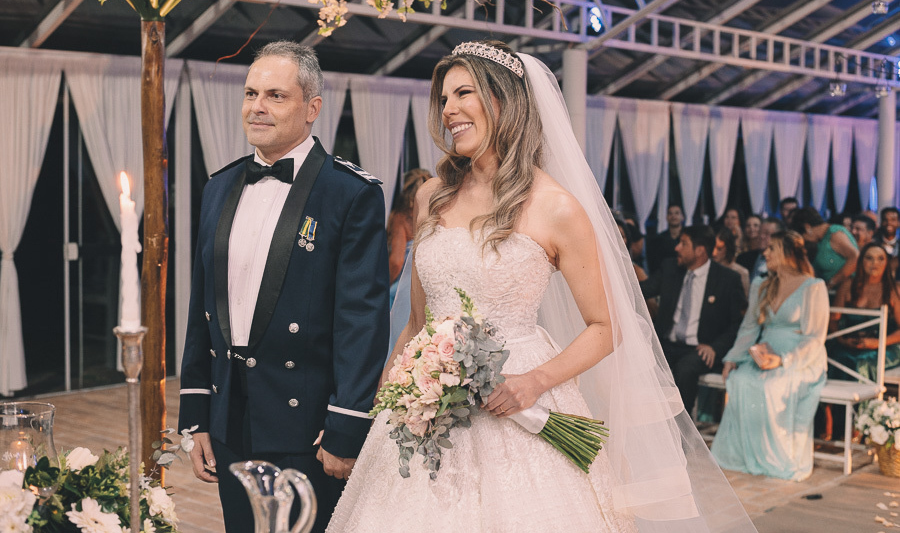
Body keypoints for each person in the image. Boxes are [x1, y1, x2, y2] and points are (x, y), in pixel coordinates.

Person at [328, 41, 756, 532]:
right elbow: (417, 323)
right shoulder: (431, 196)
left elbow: (607, 325)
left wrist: (534, 381)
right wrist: (387, 398)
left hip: (520, 398)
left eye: (464, 93)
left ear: (505, 101)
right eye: (443, 99)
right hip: (426, 405)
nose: (448, 110)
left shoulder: (556, 207)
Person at [178, 41, 390, 533]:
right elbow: (201, 309)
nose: (257, 106)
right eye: (251, 93)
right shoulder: (218, 186)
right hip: (230, 419)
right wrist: (197, 416)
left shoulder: (350, 193)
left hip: (308, 428)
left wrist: (346, 426)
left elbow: (361, 320)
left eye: (276, 95)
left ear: (312, 108)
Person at [712, 231, 828, 481]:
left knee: (772, 386)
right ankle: (745, 455)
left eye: (771, 248)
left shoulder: (813, 287)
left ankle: (776, 458)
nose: (765, 253)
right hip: (765, 352)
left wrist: (785, 360)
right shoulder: (761, 284)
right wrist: (733, 357)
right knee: (741, 380)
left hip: (801, 357)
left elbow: (814, 337)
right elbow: (750, 327)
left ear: (788, 253)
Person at [640, 225, 747, 415]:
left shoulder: (727, 279)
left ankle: (681, 425)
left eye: (683, 244)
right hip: (666, 343)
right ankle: (646, 420)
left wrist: (715, 347)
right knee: (645, 362)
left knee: (685, 369)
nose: (677, 248)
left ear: (700, 250)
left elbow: (736, 324)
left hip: (700, 348)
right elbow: (641, 290)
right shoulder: (670, 268)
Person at [828, 242, 900, 383]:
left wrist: (877, 343)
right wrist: (843, 340)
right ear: (861, 261)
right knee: (839, 359)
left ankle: (864, 398)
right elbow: (833, 320)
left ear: (887, 263)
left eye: (880, 258)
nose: (875, 263)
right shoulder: (848, 286)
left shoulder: (893, 289)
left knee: (862, 363)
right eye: (869, 258)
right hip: (851, 345)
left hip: (885, 346)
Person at [387, 168, 432, 305]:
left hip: (405, 290)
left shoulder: (402, 217)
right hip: (429, 287)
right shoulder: (436, 217)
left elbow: (396, 261)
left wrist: (383, 285)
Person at [790, 206, 858, 292]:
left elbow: (855, 257)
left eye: (803, 236)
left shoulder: (835, 233)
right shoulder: (821, 240)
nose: (804, 240)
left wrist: (831, 283)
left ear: (807, 227)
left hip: (845, 289)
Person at [646, 204, 684, 273]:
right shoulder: (658, 240)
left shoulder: (688, 239)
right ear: (666, 217)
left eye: (677, 213)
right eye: (670, 213)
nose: (673, 216)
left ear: (682, 217)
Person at [713, 228, 750, 297]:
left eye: (719, 249)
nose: (714, 253)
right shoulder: (708, 269)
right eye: (713, 248)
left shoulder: (741, 273)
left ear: (728, 248)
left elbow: (743, 300)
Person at [748, 217, 785, 282]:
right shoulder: (744, 258)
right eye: (760, 232)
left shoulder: (785, 263)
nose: (761, 236)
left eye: (767, 233)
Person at [874, 207, 900, 274]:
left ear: (898, 223)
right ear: (881, 222)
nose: (889, 223)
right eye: (885, 220)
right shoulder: (874, 243)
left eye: (893, 220)